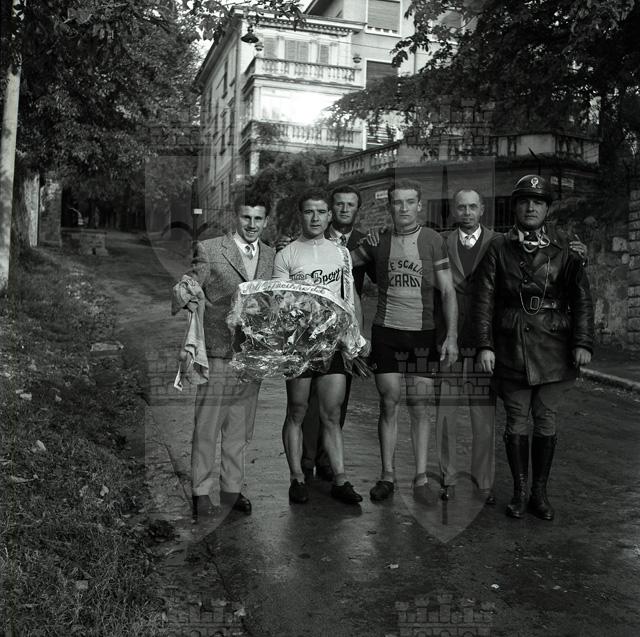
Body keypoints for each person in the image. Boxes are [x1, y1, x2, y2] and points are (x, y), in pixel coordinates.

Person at [474, 174, 594, 520]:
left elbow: (582, 298)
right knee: (516, 418)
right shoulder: (498, 248)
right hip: (510, 344)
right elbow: (484, 300)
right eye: (524, 201)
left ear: (546, 209)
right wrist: (485, 345)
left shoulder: (566, 248)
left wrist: (583, 342)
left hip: (555, 345)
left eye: (538, 202)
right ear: (515, 207)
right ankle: (519, 491)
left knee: (545, 417)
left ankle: (539, 494)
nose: (531, 207)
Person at [351, 179, 459, 506]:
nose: (404, 208)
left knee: (419, 405)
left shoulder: (433, 241)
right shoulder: (377, 241)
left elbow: (448, 291)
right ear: (389, 207)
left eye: (410, 202)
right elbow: (340, 263)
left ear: (419, 205)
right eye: (397, 202)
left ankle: (421, 478)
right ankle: (387, 476)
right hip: (386, 332)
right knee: (389, 402)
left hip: (422, 334)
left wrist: (452, 336)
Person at [172, 194, 275, 519]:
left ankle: (232, 490)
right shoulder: (211, 249)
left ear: (266, 221)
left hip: (251, 356)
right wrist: (186, 294)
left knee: (239, 430)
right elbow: (188, 284)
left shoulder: (271, 255)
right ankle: (201, 492)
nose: (252, 225)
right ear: (236, 218)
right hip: (218, 352)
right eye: (246, 218)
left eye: (258, 219)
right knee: (207, 426)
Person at [273, 188, 367, 505]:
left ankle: (340, 479)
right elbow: (280, 304)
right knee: (297, 411)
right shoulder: (286, 255)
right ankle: (297, 478)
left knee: (331, 413)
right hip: (300, 344)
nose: (315, 218)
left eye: (321, 212)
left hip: (334, 344)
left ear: (329, 216)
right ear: (300, 215)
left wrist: (355, 337)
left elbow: (349, 295)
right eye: (309, 211)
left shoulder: (341, 254)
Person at [300, 185, 377, 483]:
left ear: (357, 209)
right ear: (331, 210)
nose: (345, 209)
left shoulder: (364, 242)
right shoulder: (313, 235)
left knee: (338, 398)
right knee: (309, 399)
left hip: (345, 330)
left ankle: (327, 461)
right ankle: (307, 459)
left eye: (351, 205)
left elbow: (377, 279)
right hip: (310, 328)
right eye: (340, 204)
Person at [435, 189, 498, 505]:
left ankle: (483, 483)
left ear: (482, 209)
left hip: (484, 341)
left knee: (482, 417)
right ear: (453, 210)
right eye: (462, 207)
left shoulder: (498, 242)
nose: (468, 212)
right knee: (446, 413)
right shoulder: (441, 242)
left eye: (473, 207)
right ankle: (447, 479)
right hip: (449, 339)